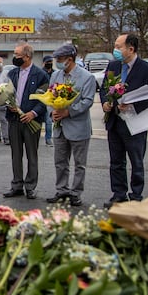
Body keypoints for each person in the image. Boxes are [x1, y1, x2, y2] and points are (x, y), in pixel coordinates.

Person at [100, 33, 148, 209]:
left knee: (136, 161)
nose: (115, 50)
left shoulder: (147, 69)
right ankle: (118, 194)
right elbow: (104, 88)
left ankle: (136, 196)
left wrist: (133, 104)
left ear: (131, 49)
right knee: (116, 161)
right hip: (114, 121)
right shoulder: (113, 66)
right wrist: (105, 102)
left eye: (119, 47)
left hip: (135, 123)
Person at [46, 44, 95, 207]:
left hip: (78, 127)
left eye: (59, 59)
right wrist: (51, 112)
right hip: (59, 127)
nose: (57, 62)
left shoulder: (87, 77)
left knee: (79, 163)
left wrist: (69, 112)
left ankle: (76, 193)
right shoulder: (55, 76)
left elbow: (87, 101)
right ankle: (62, 190)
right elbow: (49, 96)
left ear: (70, 59)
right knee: (60, 161)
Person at [3, 42, 50, 199]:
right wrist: (7, 104)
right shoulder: (12, 73)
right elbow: (5, 92)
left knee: (31, 154)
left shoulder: (41, 75)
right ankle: (17, 184)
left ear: (27, 56)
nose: (14, 57)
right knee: (16, 154)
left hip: (31, 120)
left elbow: (44, 99)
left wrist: (33, 113)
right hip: (14, 119)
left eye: (17, 55)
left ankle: (30, 186)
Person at [42, 55, 54, 146]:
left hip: (50, 100)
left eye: (51, 62)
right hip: (41, 99)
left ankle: (48, 138)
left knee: (49, 121)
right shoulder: (41, 73)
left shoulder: (54, 73)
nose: (49, 64)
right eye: (48, 62)